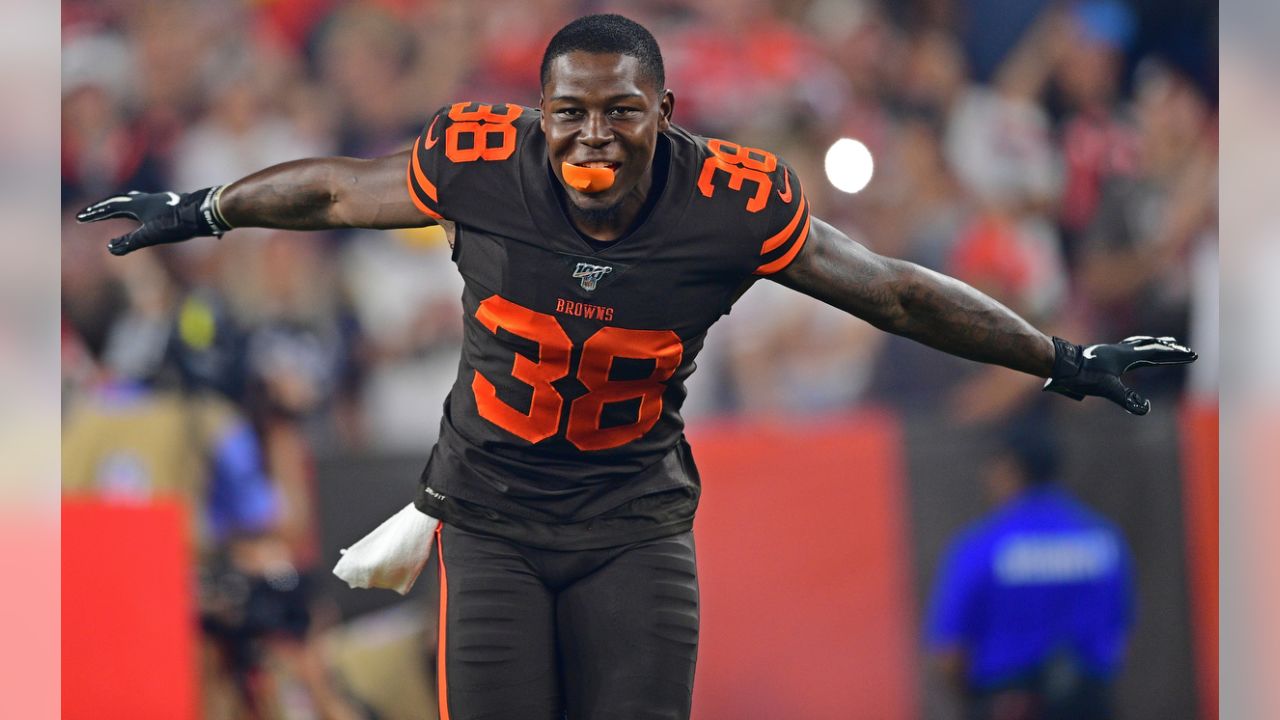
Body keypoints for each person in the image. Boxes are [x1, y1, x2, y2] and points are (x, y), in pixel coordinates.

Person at [75, 14, 1195, 720]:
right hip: (494, 519)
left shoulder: (729, 203)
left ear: (665, 109)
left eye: (621, 111)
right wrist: (205, 205)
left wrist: (1055, 356)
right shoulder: (477, 162)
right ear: (536, 114)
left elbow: (892, 288)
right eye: (567, 112)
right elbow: (332, 189)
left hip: (632, 520)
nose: (591, 135)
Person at [925, 417, 1135, 720]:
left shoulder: (982, 546)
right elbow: (1120, 636)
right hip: (1090, 703)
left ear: (1009, 469)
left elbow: (949, 654)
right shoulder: (1104, 539)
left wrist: (973, 703)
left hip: (1006, 704)